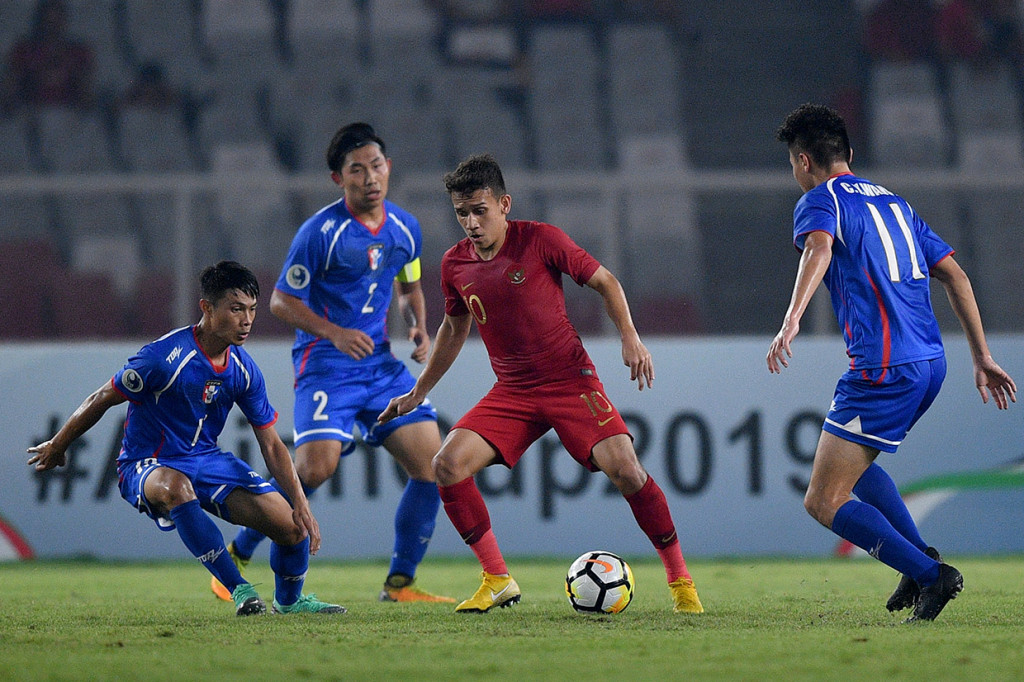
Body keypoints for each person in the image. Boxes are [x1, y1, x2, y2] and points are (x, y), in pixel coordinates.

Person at [378, 153, 704, 614]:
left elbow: (606, 282)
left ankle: (680, 581)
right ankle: (496, 578)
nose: (471, 222)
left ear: (504, 204)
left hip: (571, 381)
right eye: (461, 213)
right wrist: (418, 391)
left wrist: (630, 337)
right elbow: (454, 328)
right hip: (513, 390)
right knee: (446, 465)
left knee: (627, 471)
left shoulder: (541, 240)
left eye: (479, 210)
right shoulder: (454, 265)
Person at [768, 104, 1017, 622]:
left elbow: (817, 248)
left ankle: (933, 576)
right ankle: (918, 559)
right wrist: (983, 356)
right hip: (931, 364)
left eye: (794, 164)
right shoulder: (896, 204)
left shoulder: (820, 199)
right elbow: (958, 278)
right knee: (855, 473)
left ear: (804, 160)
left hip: (883, 369)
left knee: (822, 499)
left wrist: (792, 318)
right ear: (851, 156)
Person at [216, 123, 453, 604]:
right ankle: (241, 551)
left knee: (434, 464)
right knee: (315, 469)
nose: (370, 177)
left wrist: (416, 326)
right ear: (337, 178)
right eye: (357, 169)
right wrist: (334, 333)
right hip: (325, 363)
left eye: (377, 166)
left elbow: (409, 286)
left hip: (380, 366)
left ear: (390, 169)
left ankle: (400, 583)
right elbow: (282, 301)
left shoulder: (405, 227)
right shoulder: (320, 232)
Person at [27, 261, 345, 616]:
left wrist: (300, 502)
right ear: (207, 308)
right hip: (147, 464)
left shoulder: (243, 368)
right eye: (236, 308)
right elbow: (102, 398)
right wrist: (58, 445)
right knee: (177, 487)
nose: (247, 320)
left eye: (252, 309)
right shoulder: (163, 358)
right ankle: (239, 590)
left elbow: (271, 444)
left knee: (291, 527)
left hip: (207, 460)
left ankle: (289, 601)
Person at [2, 0, 95, 110]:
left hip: (71, 117)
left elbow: (88, 95)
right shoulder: (24, 51)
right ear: (40, 20)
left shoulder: (78, 53)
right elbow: (9, 90)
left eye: (57, 20)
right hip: (29, 115)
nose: (53, 26)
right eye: (49, 21)